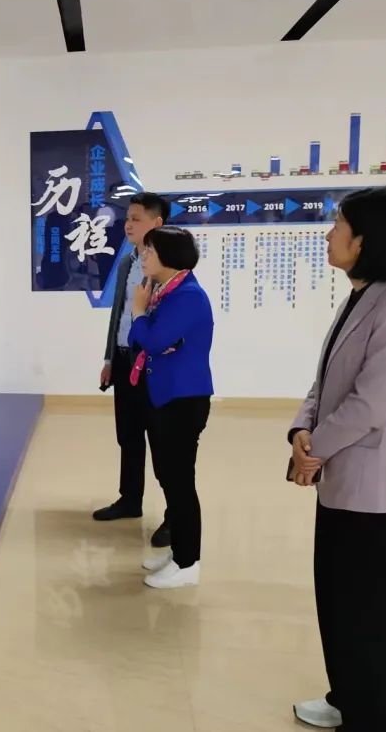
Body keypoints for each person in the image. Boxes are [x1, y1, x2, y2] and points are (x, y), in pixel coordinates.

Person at [289, 187, 386, 731]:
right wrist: (301, 430)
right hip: (341, 484)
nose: (329, 235)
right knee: (338, 602)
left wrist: (314, 451)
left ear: (365, 240)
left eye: (338, 226)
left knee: (374, 615)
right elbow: (324, 382)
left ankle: (382, 719)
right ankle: (347, 697)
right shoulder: (359, 297)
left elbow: (370, 403)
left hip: (376, 493)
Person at [127, 227, 214, 589]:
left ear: (170, 256)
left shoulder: (187, 296)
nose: (144, 256)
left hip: (182, 400)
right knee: (168, 476)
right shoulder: (166, 291)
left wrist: (138, 313)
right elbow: (148, 341)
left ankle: (188, 563)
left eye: (150, 251)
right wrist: (145, 320)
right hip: (165, 396)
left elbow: (152, 339)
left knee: (180, 482)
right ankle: (178, 551)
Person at [94, 192, 172, 548]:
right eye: (128, 218)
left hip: (154, 362)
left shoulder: (168, 267)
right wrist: (110, 359)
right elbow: (119, 314)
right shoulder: (128, 262)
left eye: (136, 219)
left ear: (157, 223)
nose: (128, 224)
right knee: (128, 433)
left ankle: (174, 514)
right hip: (126, 358)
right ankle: (130, 499)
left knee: (162, 441)